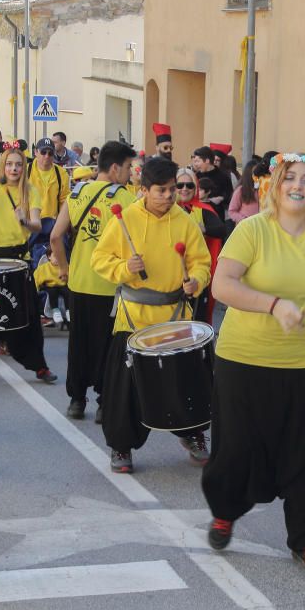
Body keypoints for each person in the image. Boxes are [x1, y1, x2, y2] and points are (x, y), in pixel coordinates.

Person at [201, 152, 305, 573]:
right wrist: (273, 305)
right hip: (244, 360)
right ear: (275, 185)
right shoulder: (252, 230)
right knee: (237, 450)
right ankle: (225, 510)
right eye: (291, 178)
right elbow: (223, 285)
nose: (299, 186)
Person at [92, 157, 212, 473]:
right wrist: (123, 268)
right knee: (126, 390)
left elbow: (202, 262)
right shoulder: (124, 220)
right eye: (161, 190)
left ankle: (192, 434)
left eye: (173, 189)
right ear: (144, 189)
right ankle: (121, 446)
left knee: (184, 384)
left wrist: (197, 281)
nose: (169, 196)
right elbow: (99, 259)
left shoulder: (184, 221)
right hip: (132, 318)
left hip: (174, 316)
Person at [50, 140, 136, 421]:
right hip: (111, 284)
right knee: (108, 346)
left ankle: (76, 400)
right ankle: (103, 402)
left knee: (79, 342)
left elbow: (55, 237)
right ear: (114, 168)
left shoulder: (77, 191)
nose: (130, 173)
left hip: (79, 282)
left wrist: (64, 268)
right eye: (127, 168)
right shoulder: (124, 198)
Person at [0, 146, 58, 385]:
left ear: (23, 167)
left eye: (18, 164)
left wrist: (25, 221)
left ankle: (39, 366)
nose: (14, 169)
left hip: (19, 260)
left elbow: (38, 226)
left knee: (27, 314)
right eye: (9, 164)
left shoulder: (30, 191)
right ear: (2, 166)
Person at [177, 168, 225, 322]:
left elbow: (221, 229)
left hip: (195, 274)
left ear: (196, 187)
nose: (184, 189)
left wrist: (203, 228)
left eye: (189, 185)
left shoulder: (202, 209)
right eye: (180, 185)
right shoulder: (166, 209)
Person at [27, 137, 71, 267]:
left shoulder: (60, 173)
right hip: (31, 225)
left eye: (50, 153)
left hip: (53, 224)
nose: (47, 156)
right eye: (43, 152)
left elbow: (65, 201)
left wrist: (62, 223)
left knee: (57, 258)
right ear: (36, 152)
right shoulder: (26, 170)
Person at [191, 147, 233, 221]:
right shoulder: (195, 176)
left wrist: (221, 198)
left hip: (217, 216)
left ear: (207, 160)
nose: (196, 164)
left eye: (198, 161)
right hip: (198, 216)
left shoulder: (223, 177)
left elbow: (230, 195)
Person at [35, 247, 70, 327]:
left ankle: (69, 311)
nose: (58, 259)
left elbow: (71, 276)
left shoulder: (65, 266)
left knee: (67, 292)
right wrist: (35, 289)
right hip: (49, 285)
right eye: (55, 256)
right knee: (52, 292)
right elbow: (36, 278)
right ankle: (55, 311)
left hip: (62, 285)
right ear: (49, 257)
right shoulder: (43, 268)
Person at [227, 161, 260, 227]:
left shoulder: (263, 189)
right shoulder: (241, 190)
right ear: (249, 174)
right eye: (255, 172)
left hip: (260, 227)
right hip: (245, 227)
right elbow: (231, 211)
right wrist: (244, 219)